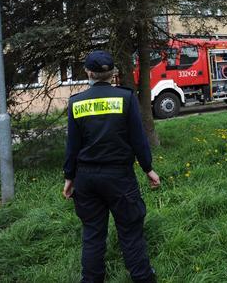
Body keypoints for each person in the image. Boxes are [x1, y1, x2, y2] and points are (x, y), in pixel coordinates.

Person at [63, 50, 160, 283]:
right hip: (120, 178)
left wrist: (70, 177)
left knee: (93, 234)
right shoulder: (125, 98)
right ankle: (143, 278)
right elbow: (138, 138)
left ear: (88, 72)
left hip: (86, 180)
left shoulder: (76, 102)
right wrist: (148, 169)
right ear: (112, 73)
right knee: (130, 232)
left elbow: (72, 145)